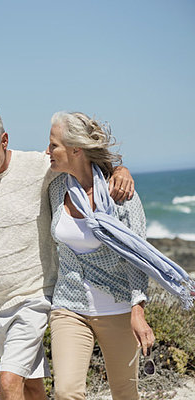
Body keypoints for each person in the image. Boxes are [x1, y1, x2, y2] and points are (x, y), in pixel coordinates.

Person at [0, 108, 134, 400]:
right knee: (31, 386)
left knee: (8, 381)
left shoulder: (39, 167)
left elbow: (82, 163)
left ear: (4, 140)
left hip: (33, 297)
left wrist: (118, 170)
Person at [45, 111, 193, 399]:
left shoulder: (121, 195)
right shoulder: (54, 189)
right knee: (65, 392)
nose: (47, 151)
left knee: (125, 393)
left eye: (53, 145)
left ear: (76, 149)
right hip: (68, 306)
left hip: (117, 308)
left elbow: (136, 257)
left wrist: (138, 310)